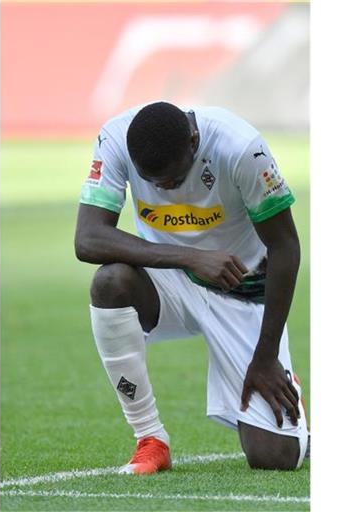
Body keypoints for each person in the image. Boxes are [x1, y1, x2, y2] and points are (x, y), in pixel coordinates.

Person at [75, 101, 308, 474]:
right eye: (152, 182)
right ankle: (150, 438)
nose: (163, 189)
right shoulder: (116, 139)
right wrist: (190, 258)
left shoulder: (242, 148)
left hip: (241, 288)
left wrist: (266, 357)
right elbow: (87, 239)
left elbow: (286, 247)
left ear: (194, 141)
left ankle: (286, 381)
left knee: (274, 458)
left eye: (172, 179)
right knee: (110, 282)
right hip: (170, 281)